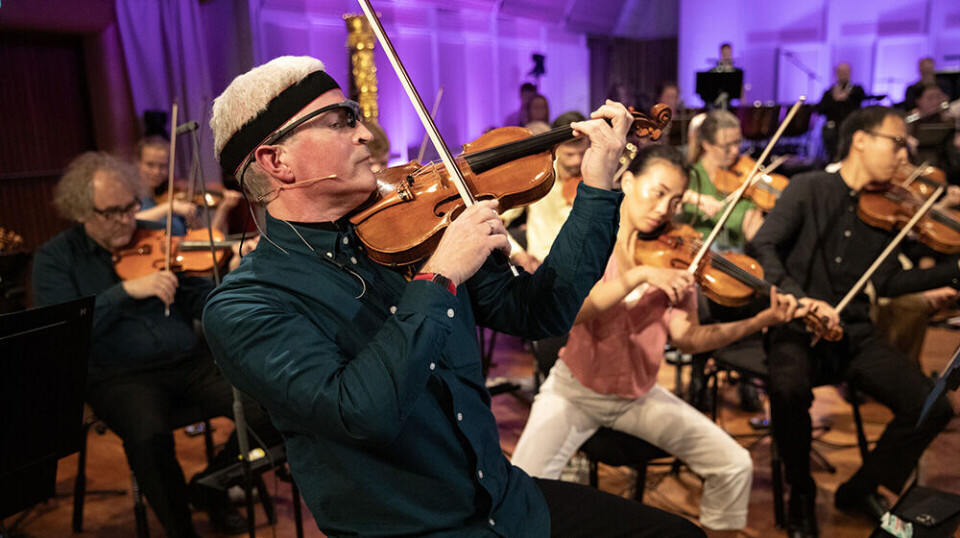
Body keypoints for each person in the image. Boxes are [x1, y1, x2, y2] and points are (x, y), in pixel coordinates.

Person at [203, 55, 703, 538]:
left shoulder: (417, 227)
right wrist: (440, 274)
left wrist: (596, 188)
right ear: (276, 161)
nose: (363, 132)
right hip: (410, 530)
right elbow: (360, 412)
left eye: (354, 115)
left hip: (505, 503)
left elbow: (541, 310)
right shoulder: (246, 305)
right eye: (339, 121)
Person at [511, 144, 805, 536]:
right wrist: (637, 277)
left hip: (639, 396)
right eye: (659, 192)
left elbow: (688, 339)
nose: (666, 208)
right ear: (628, 181)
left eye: (677, 199)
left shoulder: (677, 255)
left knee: (735, 464)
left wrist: (760, 320)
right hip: (574, 391)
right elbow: (570, 312)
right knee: (517, 493)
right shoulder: (591, 241)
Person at [32, 152, 279, 538]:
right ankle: (181, 529)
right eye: (110, 213)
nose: (125, 221)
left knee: (271, 403)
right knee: (148, 437)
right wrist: (124, 291)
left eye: (130, 207)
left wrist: (234, 280)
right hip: (118, 376)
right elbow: (65, 332)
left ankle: (209, 488)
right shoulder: (55, 260)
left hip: (188, 361)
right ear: (80, 212)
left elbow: (199, 298)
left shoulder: (155, 241)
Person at [748, 106, 957, 538]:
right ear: (861, 139)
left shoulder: (886, 208)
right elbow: (765, 245)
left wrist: (952, 271)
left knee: (931, 404)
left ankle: (859, 489)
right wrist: (803, 302)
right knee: (787, 391)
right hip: (795, 328)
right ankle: (801, 491)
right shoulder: (808, 188)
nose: (904, 155)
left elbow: (888, 281)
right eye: (897, 142)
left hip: (853, 333)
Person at [508, 111, 589, 273]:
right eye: (570, 154)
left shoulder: (592, 179)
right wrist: (518, 254)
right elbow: (496, 221)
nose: (578, 161)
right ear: (556, 148)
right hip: (540, 268)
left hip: (581, 268)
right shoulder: (536, 178)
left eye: (582, 153)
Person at [134, 136, 241, 235]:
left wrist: (223, 209)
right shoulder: (131, 195)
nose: (156, 171)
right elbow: (133, 221)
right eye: (150, 164)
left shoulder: (175, 195)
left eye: (163, 166)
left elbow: (205, 241)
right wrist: (170, 207)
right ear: (138, 163)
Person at [816, 62, 866, 162]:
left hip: (852, 126)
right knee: (828, 132)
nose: (844, 74)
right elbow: (820, 109)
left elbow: (861, 99)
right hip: (834, 128)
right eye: (841, 72)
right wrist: (835, 99)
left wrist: (847, 96)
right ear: (836, 73)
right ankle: (833, 160)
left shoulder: (857, 90)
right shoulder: (829, 92)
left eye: (846, 72)